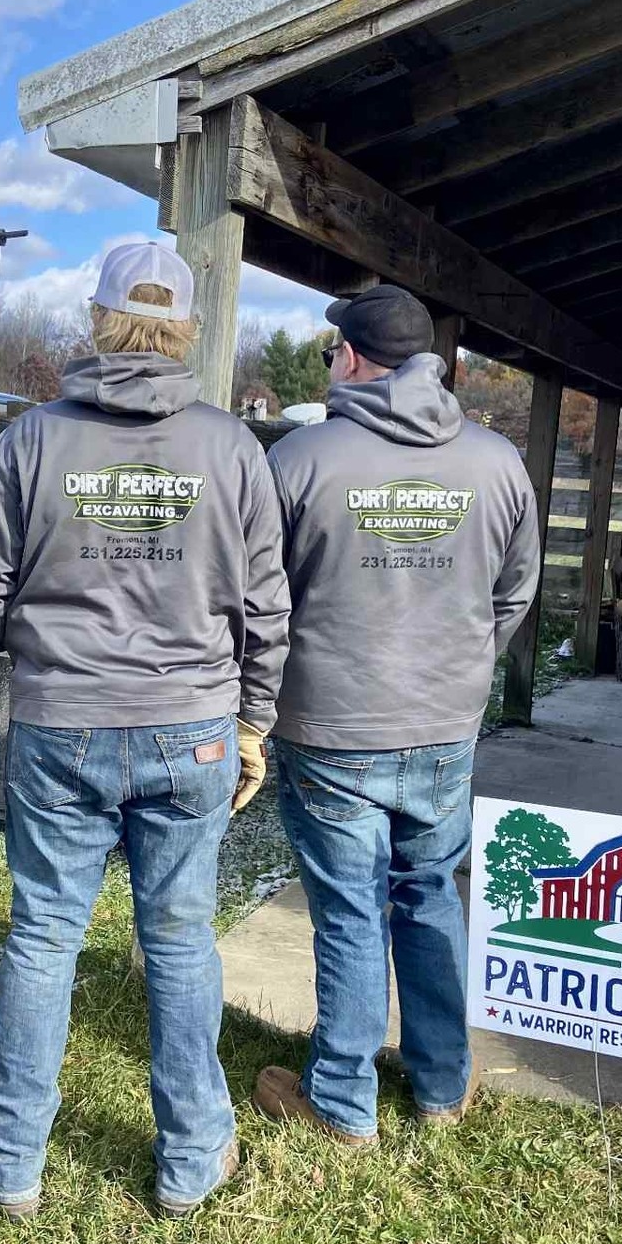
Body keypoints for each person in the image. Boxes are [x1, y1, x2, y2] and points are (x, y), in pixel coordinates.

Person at [0, 241, 291, 1217]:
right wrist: (254, 722)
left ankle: (10, 1163)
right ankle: (190, 1160)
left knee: (44, 936)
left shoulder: (32, 443)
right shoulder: (232, 449)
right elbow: (268, 608)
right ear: (186, 331)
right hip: (193, 732)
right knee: (179, 940)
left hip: (63, 730)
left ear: (96, 322)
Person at [253, 284, 539, 1146]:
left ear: (351, 359)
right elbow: (516, 591)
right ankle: (443, 1085)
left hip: (333, 728)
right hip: (445, 728)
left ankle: (341, 1102)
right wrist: (459, 668)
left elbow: (258, 598)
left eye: (332, 348)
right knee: (427, 897)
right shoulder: (498, 462)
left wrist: (260, 704)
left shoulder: (301, 460)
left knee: (348, 910)